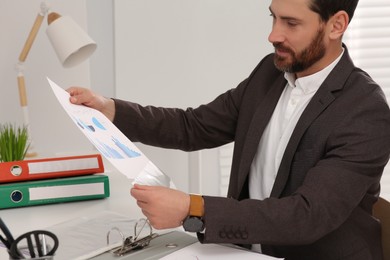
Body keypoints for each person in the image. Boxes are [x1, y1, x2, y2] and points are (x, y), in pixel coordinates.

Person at [67, 0, 390, 259]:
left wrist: (191, 208)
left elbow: (306, 216)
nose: (273, 35)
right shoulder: (270, 72)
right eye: (273, 18)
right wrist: (111, 109)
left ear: (337, 25)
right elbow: (194, 126)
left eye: (291, 23)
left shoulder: (365, 111)